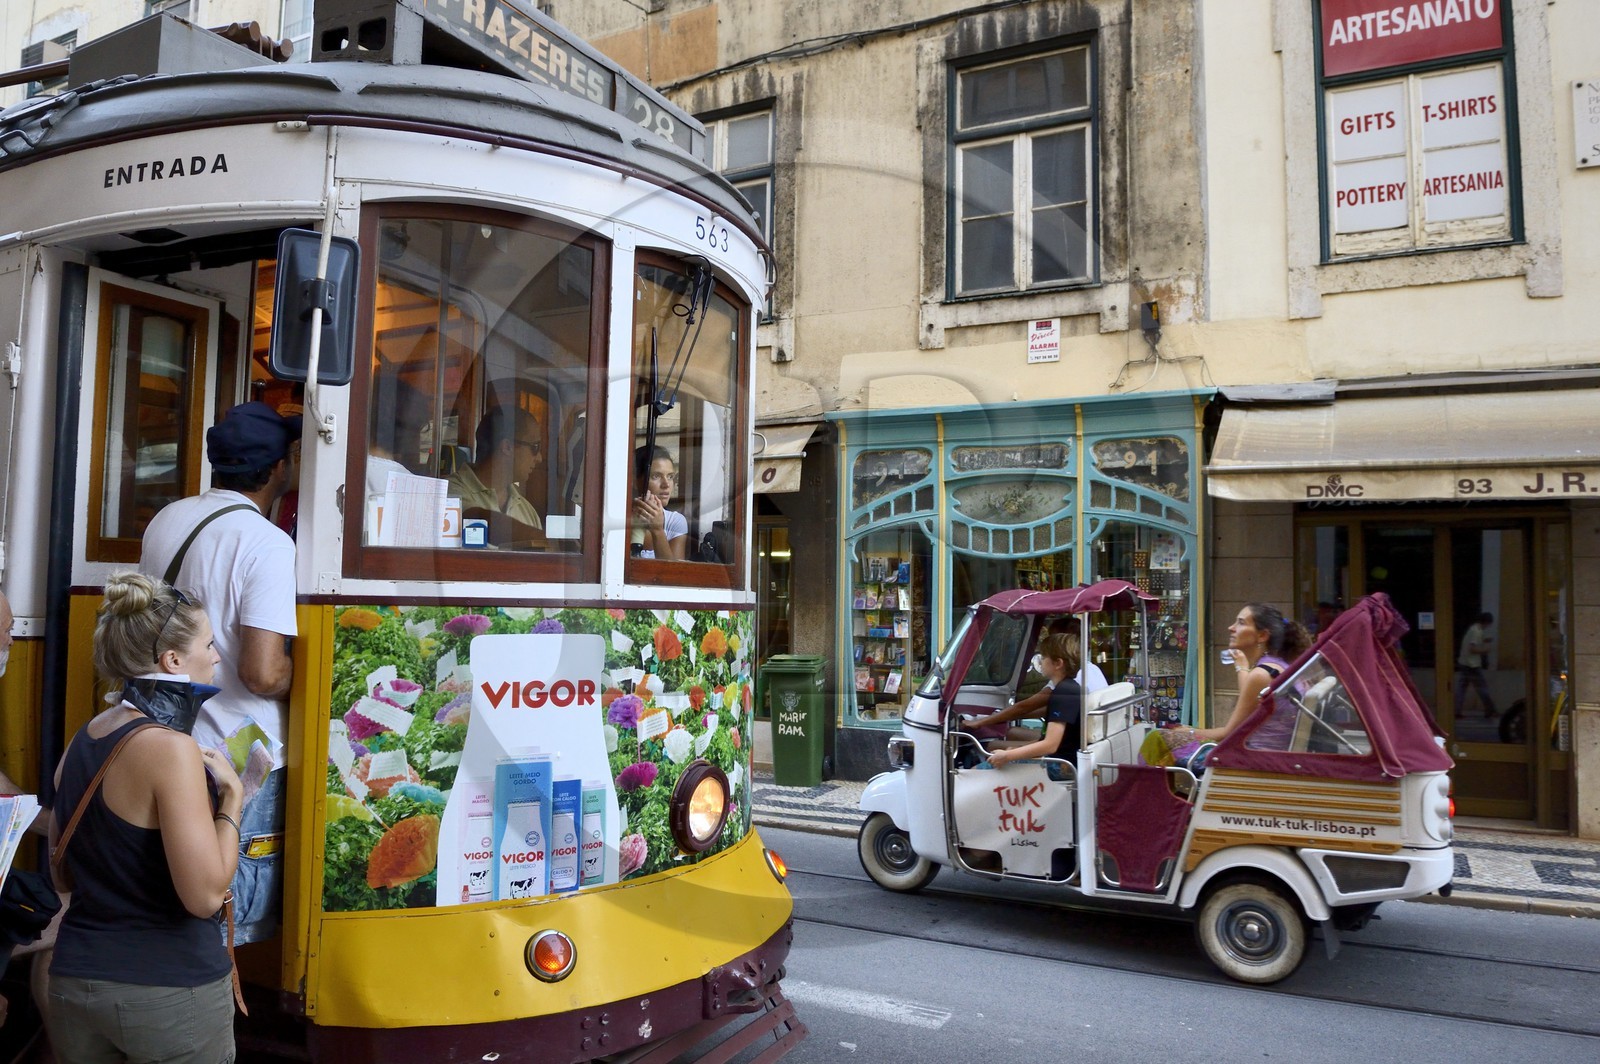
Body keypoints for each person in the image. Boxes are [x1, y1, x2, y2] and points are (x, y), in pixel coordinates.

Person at [45, 572, 242, 1064]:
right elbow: (203, 897)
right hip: (168, 992)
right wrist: (233, 800)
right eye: (209, 645)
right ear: (172, 660)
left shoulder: (86, 736)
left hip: (74, 982)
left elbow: (60, 874)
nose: (216, 657)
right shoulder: (170, 749)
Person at [140, 401, 297, 945]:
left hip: (163, 738)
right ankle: (207, 1020)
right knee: (226, 914)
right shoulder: (267, 544)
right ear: (280, 468)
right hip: (238, 755)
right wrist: (319, 670)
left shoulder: (167, 519)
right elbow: (261, 672)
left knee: (168, 892)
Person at [1167, 602, 1311, 749]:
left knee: (1158, 738)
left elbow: (1228, 734)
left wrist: (1187, 732)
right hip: (1270, 757)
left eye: (1241, 623)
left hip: (1255, 762)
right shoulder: (1277, 666)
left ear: (1262, 635)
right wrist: (1242, 667)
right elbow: (1250, 701)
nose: (1231, 628)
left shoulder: (1262, 674)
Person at [962, 615, 1106, 741]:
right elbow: (1047, 709)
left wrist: (981, 722)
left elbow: (1025, 706)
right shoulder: (1092, 669)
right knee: (1011, 732)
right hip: (1083, 737)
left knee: (992, 746)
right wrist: (1000, 717)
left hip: (1068, 744)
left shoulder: (1066, 683)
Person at [449, 404, 546, 549]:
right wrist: (544, 539)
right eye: (535, 447)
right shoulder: (449, 493)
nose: (539, 458)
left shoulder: (528, 512)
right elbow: (472, 517)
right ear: (507, 447)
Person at [987, 634, 1082, 770]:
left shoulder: (1064, 691)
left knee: (976, 772)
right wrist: (1015, 751)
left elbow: (1051, 744)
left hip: (1058, 766)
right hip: (1060, 761)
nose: (1040, 662)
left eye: (1043, 657)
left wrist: (1008, 756)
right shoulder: (1068, 688)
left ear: (1058, 663)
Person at [631, 446, 687, 560]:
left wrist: (658, 530)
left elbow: (674, 574)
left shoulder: (674, 521)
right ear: (635, 481)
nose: (666, 484)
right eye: (656, 476)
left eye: (670, 477)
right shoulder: (618, 517)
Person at [1454, 612, 1496, 717]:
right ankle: (1490, 710)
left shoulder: (1473, 629)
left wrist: (1484, 641)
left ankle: (1456, 711)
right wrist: (1485, 649)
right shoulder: (1476, 632)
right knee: (1482, 688)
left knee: (1462, 688)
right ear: (1486, 622)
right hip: (1472, 665)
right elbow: (1472, 648)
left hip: (1464, 662)